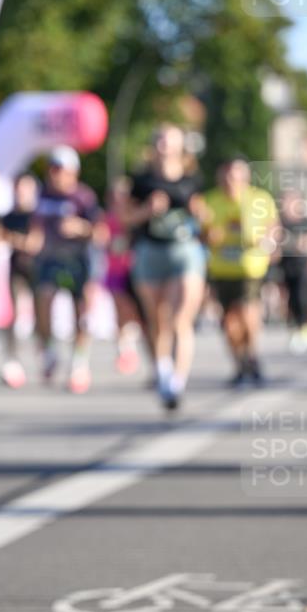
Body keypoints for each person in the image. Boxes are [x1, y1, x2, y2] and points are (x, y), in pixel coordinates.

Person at [126, 124, 206, 410]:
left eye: (170, 140)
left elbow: (204, 215)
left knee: (180, 318)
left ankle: (177, 382)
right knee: (157, 319)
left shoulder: (192, 179)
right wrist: (147, 210)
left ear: (180, 146)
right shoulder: (141, 180)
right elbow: (125, 217)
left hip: (184, 251)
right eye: (159, 138)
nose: (164, 144)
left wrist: (201, 213)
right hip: (150, 251)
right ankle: (162, 370)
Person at [31, 146, 101, 394]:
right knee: (43, 299)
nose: (55, 175)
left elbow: (100, 232)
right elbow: (35, 224)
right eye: (52, 169)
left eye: (60, 169)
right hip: (50, 260)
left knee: (80, 314)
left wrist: (80, 228)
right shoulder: (41, 195)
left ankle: (79, 363)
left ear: (73, 172)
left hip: (78, 260)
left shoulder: (83, 197)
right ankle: (50, 350)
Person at [204, 157, 279, 386]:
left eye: (236, 175)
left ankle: (252, 354)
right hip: (222, 268)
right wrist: (208, 236)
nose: (231, 180)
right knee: (229, 322)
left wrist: (269, 242)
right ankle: (240, 363)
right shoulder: (210, 200)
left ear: (245, 177)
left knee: (248, 313)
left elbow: (273, 227)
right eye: (227, 175)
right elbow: (200, 231)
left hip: (251, 266)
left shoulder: (259, 199)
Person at [0, 172, 41, 388]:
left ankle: (43, 354)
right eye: (18, 189)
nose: (21, 193)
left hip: (39, 270)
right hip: (16, 269)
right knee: (12, 315)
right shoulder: (9, 215)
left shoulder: (38, 214)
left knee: (41, 314)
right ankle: (12, 359)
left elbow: (34, 244)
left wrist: (13, 239)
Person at [102, 178, 145, 376]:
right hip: (115, 271)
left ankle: (131, 344)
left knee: (136, 312)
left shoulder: (135, 218)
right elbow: (107, 242)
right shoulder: (108, 219)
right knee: (120, 310)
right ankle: (124, 349)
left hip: (135, 270)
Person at [278, 189, 307, 353]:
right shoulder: (281, 221)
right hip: (286, 266)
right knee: (290, 300)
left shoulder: (305, 222)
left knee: (304, 298)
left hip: (303, 266)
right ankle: (296, 330)